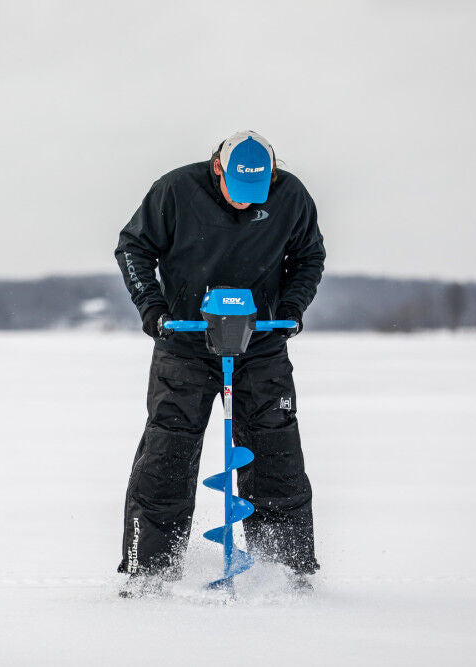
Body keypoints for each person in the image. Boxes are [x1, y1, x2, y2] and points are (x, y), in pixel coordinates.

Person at [114, 131, 325, 596]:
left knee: (276, 454)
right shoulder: (174, 190)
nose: (247, 205)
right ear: (218, 170)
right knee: (167, 454)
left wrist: (290, 309)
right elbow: (132, 247)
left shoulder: (292, 196)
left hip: (261, 344)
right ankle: (148, 571)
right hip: (186, 343)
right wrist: (154, 310)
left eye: (258, 194)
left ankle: (286, 570)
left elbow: (309, 256)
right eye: (237, 192)